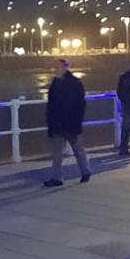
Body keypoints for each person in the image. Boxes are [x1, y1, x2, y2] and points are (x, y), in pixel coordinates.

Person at [43, 58, 92, 187]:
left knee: (60, 151)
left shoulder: (59, 83)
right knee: (75, 149)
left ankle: (58, 177)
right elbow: (81, 103)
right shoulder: (74, 82)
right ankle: (84, 171)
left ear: (65, 67)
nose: (55, 69)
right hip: (68, 122)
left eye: (57, 67)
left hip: (62, 121)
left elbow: (53, 104)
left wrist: (51, 119)